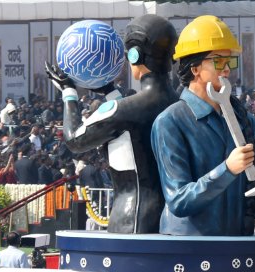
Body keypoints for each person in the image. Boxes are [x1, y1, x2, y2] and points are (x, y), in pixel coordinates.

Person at [152, 16, 255, 236]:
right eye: (219, 62)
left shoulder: (244, 120)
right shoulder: (170, 122)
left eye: (230, 62)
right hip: (187, 247)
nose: (226, 70)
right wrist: (227, 169)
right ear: (194, 67)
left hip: (236, 245)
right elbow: (179, 201)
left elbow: (253, 198)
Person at [47, 14, 179, 234]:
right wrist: (110, 92)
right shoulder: (181, 103)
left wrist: (68, 93)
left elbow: (74, 139)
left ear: (135, 55)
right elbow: (132, 119)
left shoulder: (122, 110)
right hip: (171, 218)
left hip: (131, 217)